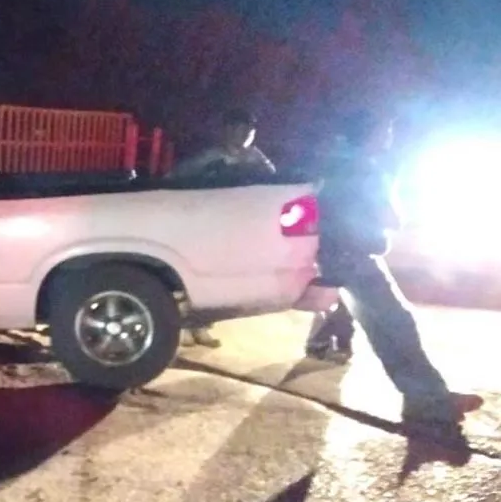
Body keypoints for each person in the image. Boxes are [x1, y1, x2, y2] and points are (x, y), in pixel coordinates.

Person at [315, 109, 482, 442]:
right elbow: (390, 217)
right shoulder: (368, 169)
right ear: (371, 133)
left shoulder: (336, 166)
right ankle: (432, 401)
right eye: (385, 129)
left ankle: (421, 398)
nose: (389, 136)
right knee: (399, 325)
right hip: (359, 258)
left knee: (383, 332)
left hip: (337, 257)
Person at [170, 109, 277, 348]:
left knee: (217, 281)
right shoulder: (211, 157)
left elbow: (273, 178)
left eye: (250, 130)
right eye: (240, 129)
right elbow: (176, 176)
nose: (245, 135)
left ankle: (202, 326)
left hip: (234, 227)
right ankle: (183, 326)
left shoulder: (256, 158)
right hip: (206, 225)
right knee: (193, 277)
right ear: (227, 130)